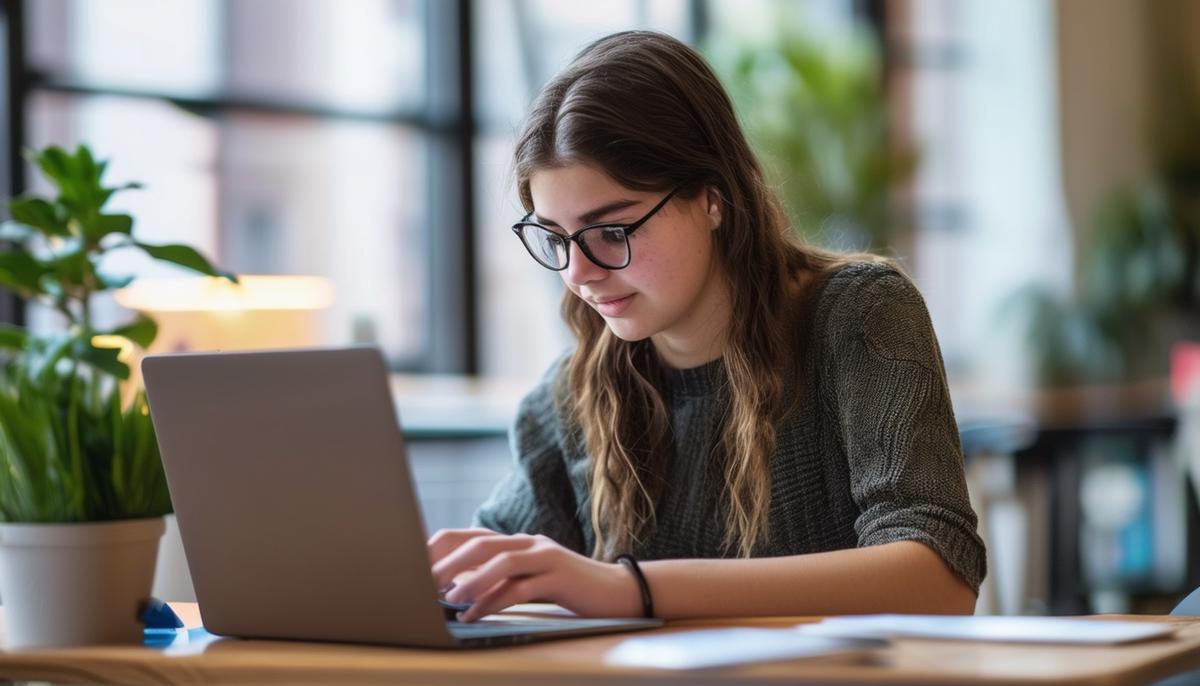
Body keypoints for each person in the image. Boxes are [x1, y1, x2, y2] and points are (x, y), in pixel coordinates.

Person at [428, 30, 985, 623]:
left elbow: (939, 579)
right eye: (556, 239)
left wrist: (630, 590)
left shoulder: (859, 316)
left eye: (611, 231)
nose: (579, 273)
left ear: (712, 198)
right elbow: (476, 584)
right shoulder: (572, 394)